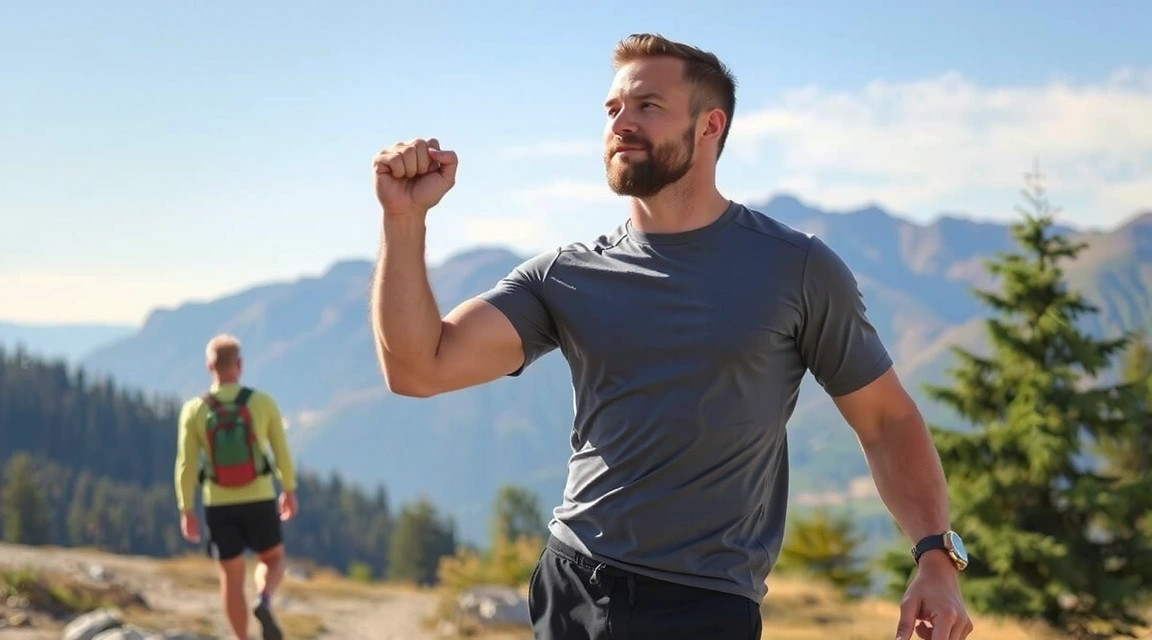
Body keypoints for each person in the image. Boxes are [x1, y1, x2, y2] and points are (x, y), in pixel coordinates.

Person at [369, 32, 973, 640]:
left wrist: (936, 560)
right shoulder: (566, 275)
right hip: (572, 586)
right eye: (613, 110)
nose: (622, 124)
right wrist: (403, 220)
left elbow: (887, 421)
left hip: (706, 607)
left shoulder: (799, 269)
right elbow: (419, 368)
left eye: (647, 106)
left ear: (710, 126)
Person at [174, 333, 299, 640]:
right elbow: (280, 451)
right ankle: (264, 598)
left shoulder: (195, 410)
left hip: (218, 504)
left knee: (231, 580)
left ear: (209, 367)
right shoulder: (262, 402)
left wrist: (186, 508)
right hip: (258, 497)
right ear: (239, 365)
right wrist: (289, 489)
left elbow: (186, 464)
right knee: (272, 558)